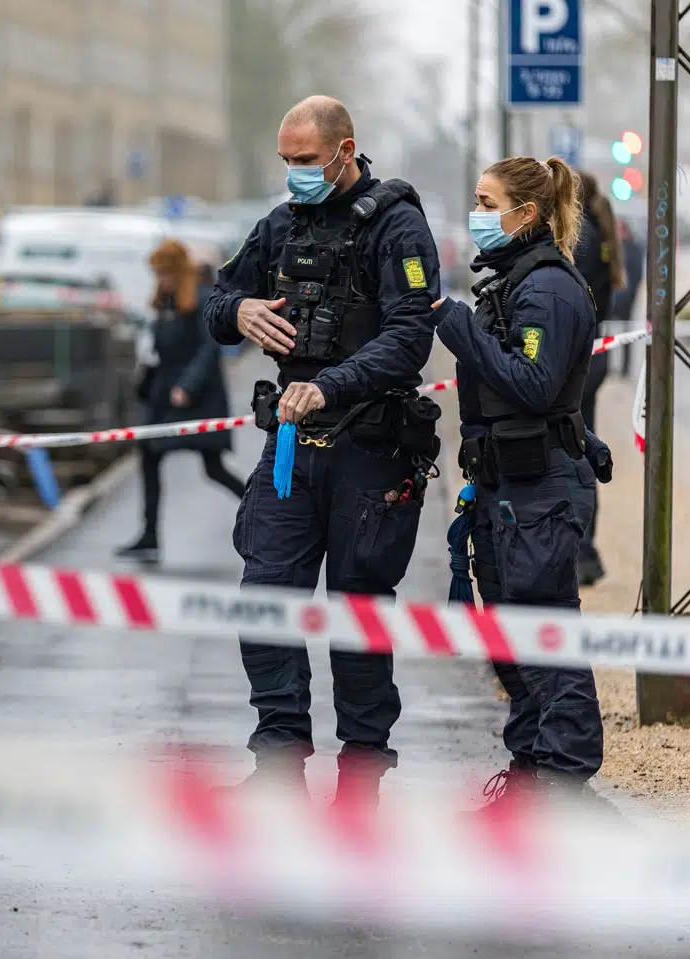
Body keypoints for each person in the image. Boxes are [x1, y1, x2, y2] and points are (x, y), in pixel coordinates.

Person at [204, 96, 442, 804]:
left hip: (370, 448)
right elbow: (218, 301)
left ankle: (362, 781)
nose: (294, 175)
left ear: (345, 151)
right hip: (290, 451)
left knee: (357, 611)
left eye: (305, 161)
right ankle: (278, 764)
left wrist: (330, 385)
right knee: (265, 600)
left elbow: (410, 338)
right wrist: (237, 310)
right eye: (286, 161)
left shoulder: (397, 226)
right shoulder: (280, 227)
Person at [432, 155, 604, 802]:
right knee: (514, 643)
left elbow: (534, 384)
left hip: (539, 495)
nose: (477, 214)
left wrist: (454, 327)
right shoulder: (514, 282)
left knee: (543, 635)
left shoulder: (548, 289)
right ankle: (530, 774)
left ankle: (564, 782)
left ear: (524, 213)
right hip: (507, 493)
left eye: (486, 201)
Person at [118, 240, 247, 563]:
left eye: (163, 272)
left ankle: (265, 517)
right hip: (165, 399)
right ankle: (149, 536)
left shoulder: (201, 298)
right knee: (149, 457)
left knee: (213, 468)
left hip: (198, 400)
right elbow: (159, 350)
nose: (159, 278)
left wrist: (187, 386)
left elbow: (210, 348)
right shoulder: (167, 301)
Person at [572, 173, 624, 587]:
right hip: (594, 354)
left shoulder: (580, 237)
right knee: (584, 448)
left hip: (580, 358)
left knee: (576, 452)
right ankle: (585, 549)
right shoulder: (597, 229)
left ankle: (583, 549)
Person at [612, 218, 645, 375]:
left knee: (626, 335)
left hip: (626, 298)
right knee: (607, 333)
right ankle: (609, 367)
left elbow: (637, 274)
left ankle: (625, 367)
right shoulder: (612, 247)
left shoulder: (633, 248)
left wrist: (630, 296)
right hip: (612, 299)